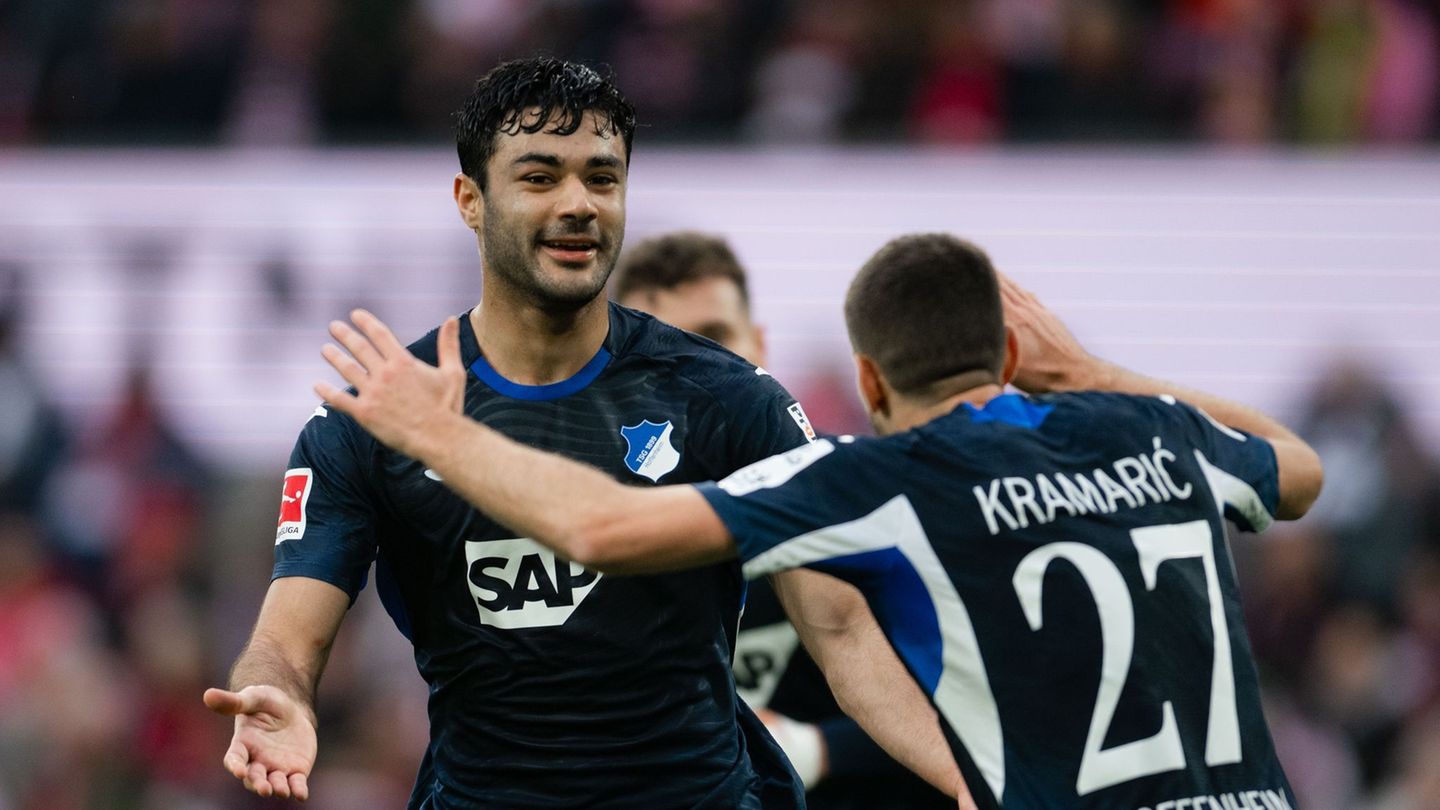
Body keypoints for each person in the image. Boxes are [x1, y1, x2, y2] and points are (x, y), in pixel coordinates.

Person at [315, 232, 1325, 809]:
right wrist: (1095, 373)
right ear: (1014, 356)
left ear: (869, 381)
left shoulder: (873, 478)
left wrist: (436, 433)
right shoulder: (1152, 430)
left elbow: (602, 533)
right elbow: (1298, 471)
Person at [202, 58, 956, 808]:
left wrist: (975, 783)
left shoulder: (727, 400)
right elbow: (289, 638)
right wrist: (278, 695)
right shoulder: (373, 419)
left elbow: (844, 632)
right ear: (470, 200)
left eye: (602, 178)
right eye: (539, 177)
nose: (579, 204)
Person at [613, 231, 953, 808]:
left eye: (715, 338)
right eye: (663, 347)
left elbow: (962, 706)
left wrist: (818, 747)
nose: (697, 368)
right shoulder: (593, 528)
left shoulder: (848, 501)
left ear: (760, 347)